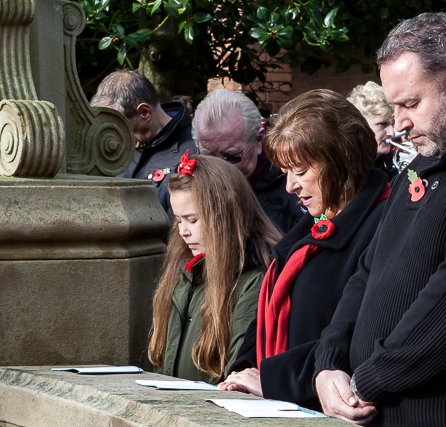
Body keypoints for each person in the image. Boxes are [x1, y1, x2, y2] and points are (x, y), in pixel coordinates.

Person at [313, 12, 446, 426]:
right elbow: (368, 270)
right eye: (393, 106)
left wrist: (366, 382)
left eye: (411, 103)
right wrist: (329, 364)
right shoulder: (424, 160)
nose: (399, 123)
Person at [217, 89, 391, 411]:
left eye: (300, 171)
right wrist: (241, 372)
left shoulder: (385, 222)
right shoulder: (312, 224)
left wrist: (272, 378)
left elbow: (358, 333)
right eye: (284, 172)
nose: (289, 186)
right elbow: (266, 317)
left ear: (342, 160)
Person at [147, 153, 282, 383]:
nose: (183, 231)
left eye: (193, 219)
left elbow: (235, 372)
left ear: (224, 216)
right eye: (179, 220)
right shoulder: (186, 271)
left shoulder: (255, 279)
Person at [192, 89, 306, 233]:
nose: (220, 169)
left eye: (231, 157)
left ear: (259, 140)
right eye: (209, 157)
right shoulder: (189, 176)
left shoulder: (297, 187)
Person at [90, 70, 197, 217]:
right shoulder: (117, 150)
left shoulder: (193, 150)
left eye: (121, 128)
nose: (117, 140)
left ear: (145, 112)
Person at [347, 81, 398, 180]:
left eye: (392, 124)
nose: (391, 133)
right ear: (359, 126)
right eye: (382, 125)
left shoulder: (388, 161)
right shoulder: (346, 168)